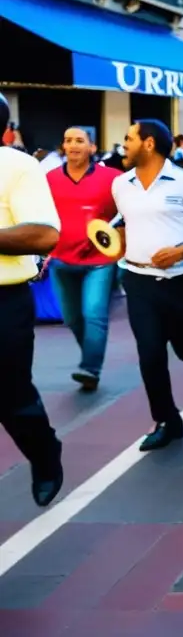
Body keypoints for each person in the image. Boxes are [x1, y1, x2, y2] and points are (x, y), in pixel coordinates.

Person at [112, 119, 183, 452]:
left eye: (129, 138)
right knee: (150, 354)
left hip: (182, 281)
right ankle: (166, 420)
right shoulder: (121, 184)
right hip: (138, 280)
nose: (124, 145)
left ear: (148, 144)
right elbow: (126, 224)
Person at [0, 100, 65, 507]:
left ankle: (44, 454)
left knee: (10, 395)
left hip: (4, 300)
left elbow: (44, 235)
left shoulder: (17, 166)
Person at [45, 127, 120, 391]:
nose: (73, 145)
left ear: (92, 147)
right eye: (67, 140)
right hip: (60, 260)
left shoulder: (112, 178)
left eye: (79, 140)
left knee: (93, 314)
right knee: (73, 319)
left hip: (99, 261)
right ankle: (90, 355)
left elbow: (126, 212)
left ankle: (90, 368)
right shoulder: (49, 178)